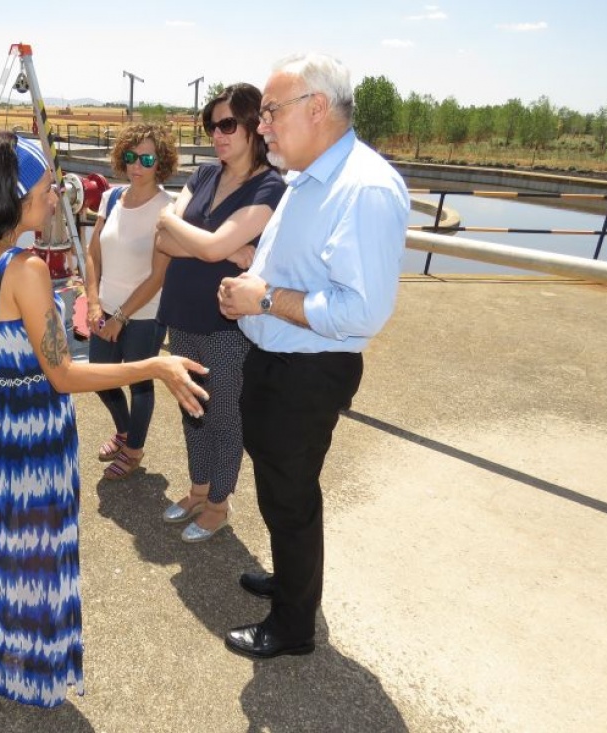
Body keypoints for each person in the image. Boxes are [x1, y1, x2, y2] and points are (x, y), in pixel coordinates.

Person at [0, 131, 210, 707]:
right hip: (31, 431)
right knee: (34, 551)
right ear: (15, 195)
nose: (56, 196)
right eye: (46, 187)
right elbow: (63, 375)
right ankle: (31, 669)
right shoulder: (24, 269)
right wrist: (152, 364)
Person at [216, 54, 410, 659]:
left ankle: (293, 625)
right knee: (281, 489)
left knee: (291, 495)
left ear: (317, 108)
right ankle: (290, 578)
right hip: (279, 363)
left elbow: (363, 310)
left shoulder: (365, 186)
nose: (263, 125)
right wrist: (253, 282)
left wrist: (266, 297)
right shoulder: (310, 176)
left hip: (307, 372)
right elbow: (303, 270)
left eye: (271, 111)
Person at [154, 83, 287, 542]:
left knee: (223, 414)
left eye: (228, 124)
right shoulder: (205, 174)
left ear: (253, 126)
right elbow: (165, 240)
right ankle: (197, 489)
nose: (218, 134)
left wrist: (187, 230)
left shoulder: (269, 186)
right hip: (183, 311)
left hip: (226, 322)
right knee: (191, 408)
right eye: (212, 125)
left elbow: (200, 242)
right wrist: (223, 249)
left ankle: (219, 504)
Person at [82, 123, 177, 481]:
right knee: (100, 377)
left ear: (161, 162)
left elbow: (158, 275)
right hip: (105, 306)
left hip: (145, 314)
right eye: (130, 156)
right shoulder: (111, 197)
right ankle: (124, 432)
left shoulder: (168, 209)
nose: (137, 165)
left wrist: (120, 316)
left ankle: (134, 449)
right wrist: (93, 303)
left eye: (147, 158)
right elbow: (93, 252)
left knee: (139, 381)